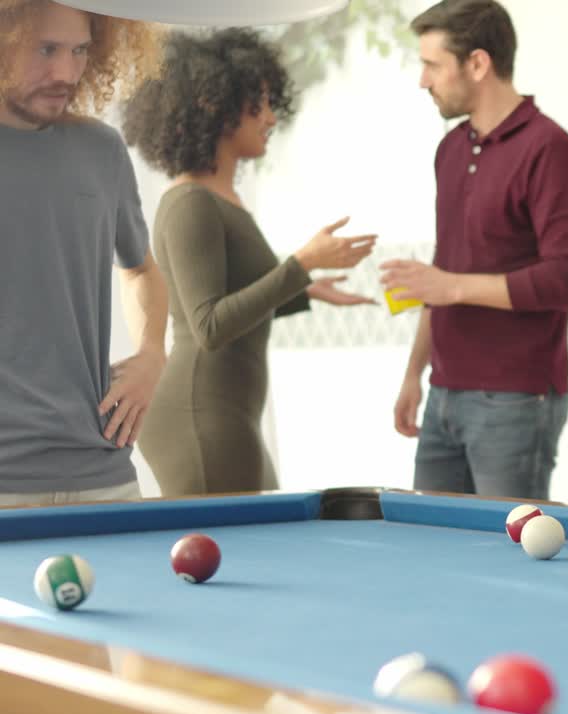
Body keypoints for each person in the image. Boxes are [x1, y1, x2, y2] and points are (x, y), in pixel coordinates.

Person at [122, 28, 377, 497]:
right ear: (213, 106)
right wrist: (300, 264)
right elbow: (209, 325)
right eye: (257, 105)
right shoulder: (190, 204)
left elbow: (227, 294)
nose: (271, 118)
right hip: (200, 416)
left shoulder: (221, 198)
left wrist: (303, 289)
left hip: (228, 413)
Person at [380, 0, 568, 501]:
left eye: (432, 65)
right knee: (430, 554)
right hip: (443, 394)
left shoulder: (551, 151)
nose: (422, 80)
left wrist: (450, 286)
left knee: (510, 561)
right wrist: (415, 374)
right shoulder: (451, 149)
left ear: (477, 64)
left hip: (515, 400)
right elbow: (445, 271)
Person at [0, 0, 169, 507]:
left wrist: (152, 355)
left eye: (79, 51)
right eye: (45, 49)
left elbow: (140, 270)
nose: (66, 72)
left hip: (103, 469)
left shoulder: (102, 150)